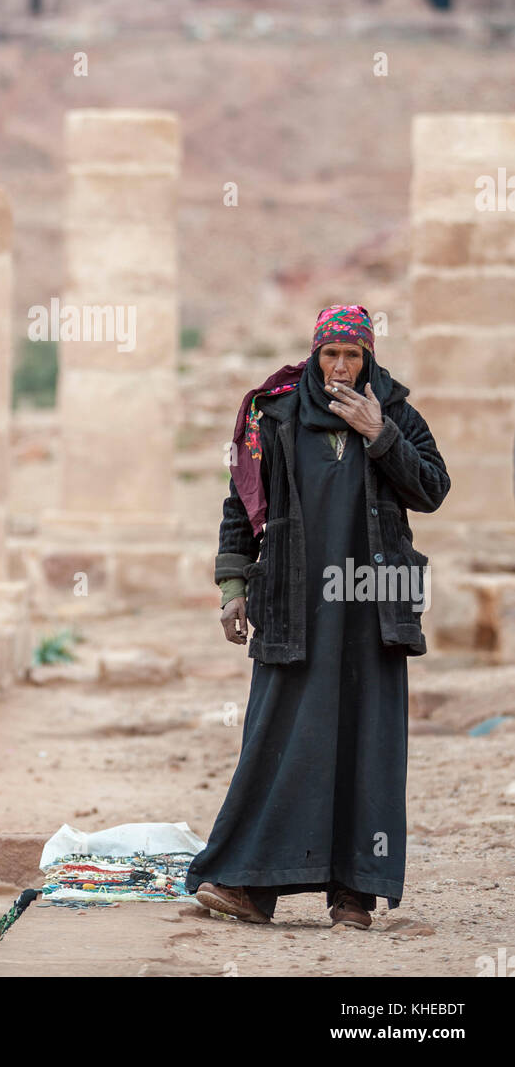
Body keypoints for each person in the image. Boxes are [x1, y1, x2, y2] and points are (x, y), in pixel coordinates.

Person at [184, 304, 450, 929]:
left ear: (368, 359)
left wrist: (379, 436)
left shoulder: (396, 414)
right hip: (291, 604)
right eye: (329, 355)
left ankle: (354, 894)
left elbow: (432, 490)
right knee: (278, 741)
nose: (339, 367)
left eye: (351, 357)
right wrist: (231, 587)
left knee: (368, 741)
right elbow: (240, 504)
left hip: (373, 604)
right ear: (313, 356)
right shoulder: (273, 416)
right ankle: (251, 886)